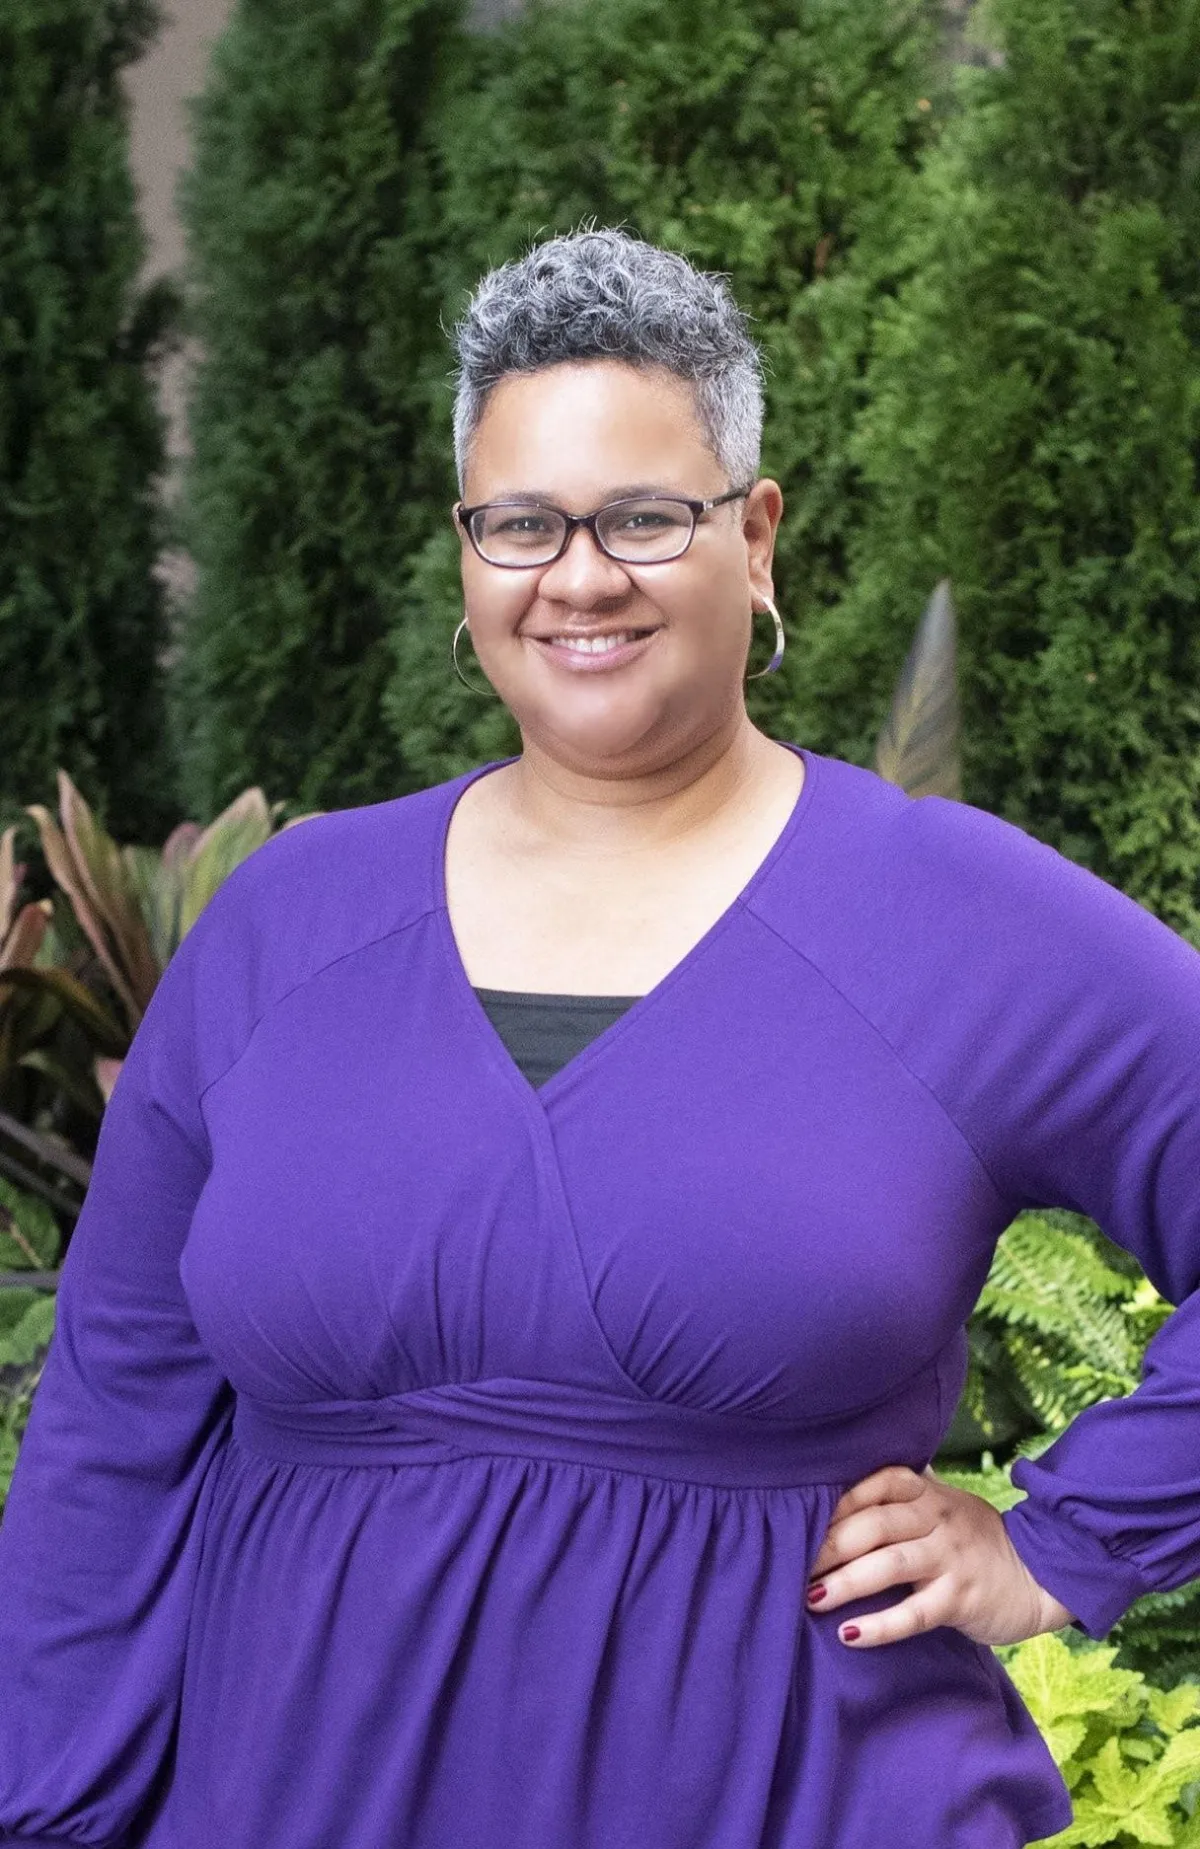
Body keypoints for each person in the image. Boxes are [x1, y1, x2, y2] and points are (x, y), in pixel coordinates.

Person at [2, 225, 1200, 1849]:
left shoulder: (958, 922)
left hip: (802, 1798)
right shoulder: (292, 922)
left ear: (756, 536)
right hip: (295, 1796)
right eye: (521, 524)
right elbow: (114, 1416)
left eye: (646, 515)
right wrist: (52, 1809)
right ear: (467, 554)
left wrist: (1068, 1544)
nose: (579, 576)